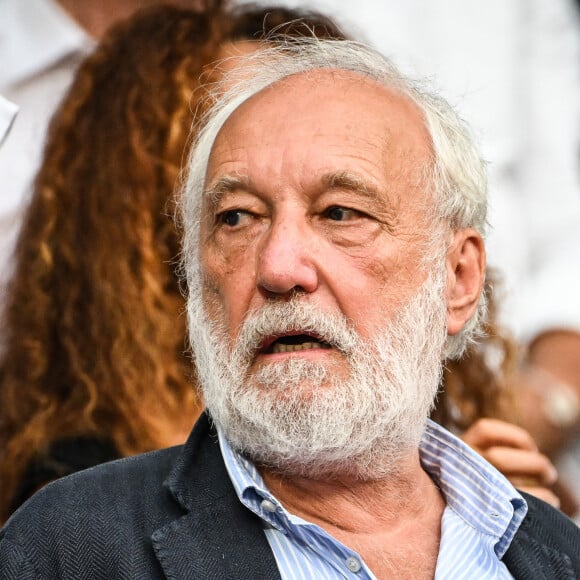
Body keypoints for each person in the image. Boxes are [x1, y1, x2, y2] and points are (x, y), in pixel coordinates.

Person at [1, 38, 578, 578]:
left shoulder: (556, 555)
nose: (277, 267)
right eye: (237, 218)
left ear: (458, 277)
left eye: (339, 213)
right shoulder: (70, 548)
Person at [0, 1, 348, 524]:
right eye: (238, 211)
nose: (288, 255)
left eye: (339, 206)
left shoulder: (411, 448)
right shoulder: (80, 511)